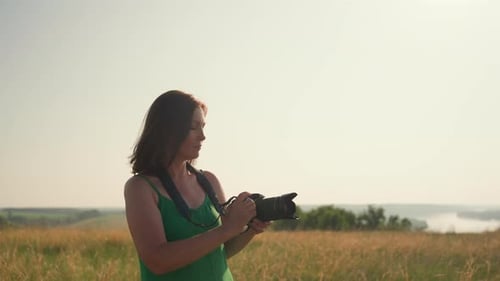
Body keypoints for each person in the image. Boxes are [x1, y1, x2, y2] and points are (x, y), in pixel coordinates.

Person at [124, 90, 270, 281]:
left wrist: (249, 230)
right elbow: (157, 260)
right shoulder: (140, 188)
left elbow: (220, 250)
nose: (203, 137)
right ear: (169, 130)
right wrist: (228, 228)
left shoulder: (209, 181)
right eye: (194, 128)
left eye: (203, 127)